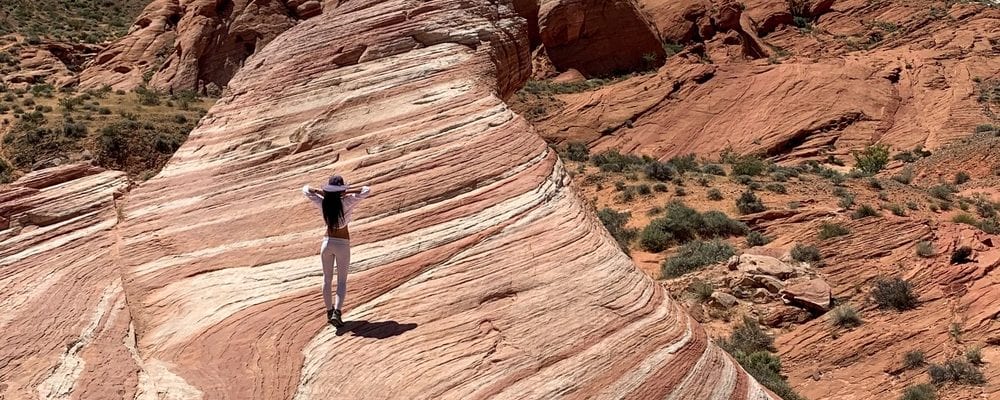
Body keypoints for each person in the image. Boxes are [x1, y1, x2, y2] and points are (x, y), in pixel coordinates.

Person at [302, 175, 371, 327]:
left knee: (327, 279)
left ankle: (329, 311)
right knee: (341, 281)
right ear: (341, 190)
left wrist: (323, 192)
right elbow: (366, 190)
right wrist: (346, 192)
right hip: (342, 244)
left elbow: (306, 189)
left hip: (326, 243)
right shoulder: (347, 202)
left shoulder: (323, 202)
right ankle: (337, 313)